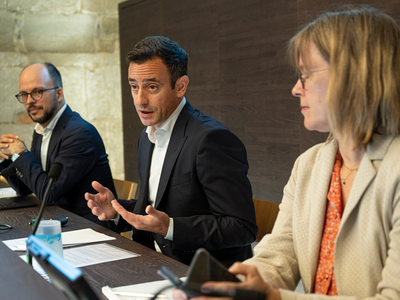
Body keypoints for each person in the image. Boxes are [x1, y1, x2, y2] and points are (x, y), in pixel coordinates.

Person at [173, 6, 400, 300]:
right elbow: (279, 255)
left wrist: (273, 298)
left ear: (354, 75)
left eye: (305, 75)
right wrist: (233, 288)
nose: (295, 89)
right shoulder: (309, 165)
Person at [85, 36, 258, 267]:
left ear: (181, 86)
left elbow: (241, 228)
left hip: (199, 274)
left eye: (152, 87)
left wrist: (171, 228)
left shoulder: (211, 139)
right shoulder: (146, 137)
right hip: (151, 263)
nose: (140, 100)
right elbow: (157, 209)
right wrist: (116, 210)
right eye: (134, 87)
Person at [0, 63, 116, 227]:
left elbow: (48, 194)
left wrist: (22, 152)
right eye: (24, 95)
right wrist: (4, 158)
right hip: (58, 220)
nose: (29, 101)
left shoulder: (79, 133)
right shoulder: (42, 129)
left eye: (37, 92)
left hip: (88, 228)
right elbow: (28, 188)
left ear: (59, 93)